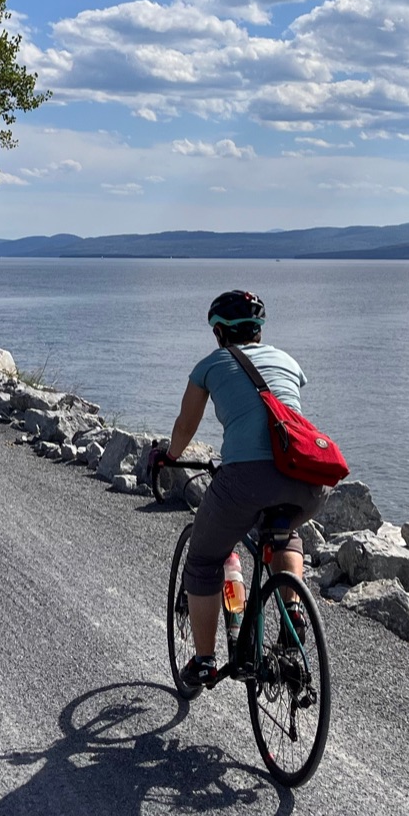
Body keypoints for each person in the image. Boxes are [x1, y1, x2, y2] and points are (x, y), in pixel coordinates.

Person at [150, 289, 327, 691]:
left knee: (203, 560)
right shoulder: (287, 361)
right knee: (284, 532)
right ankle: (293, 611)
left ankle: (204, 661)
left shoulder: (210, 366)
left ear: (219, 332)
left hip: (246, 480)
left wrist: (168, 456)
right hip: (308, 479)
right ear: (258, 330)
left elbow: (186, 426)